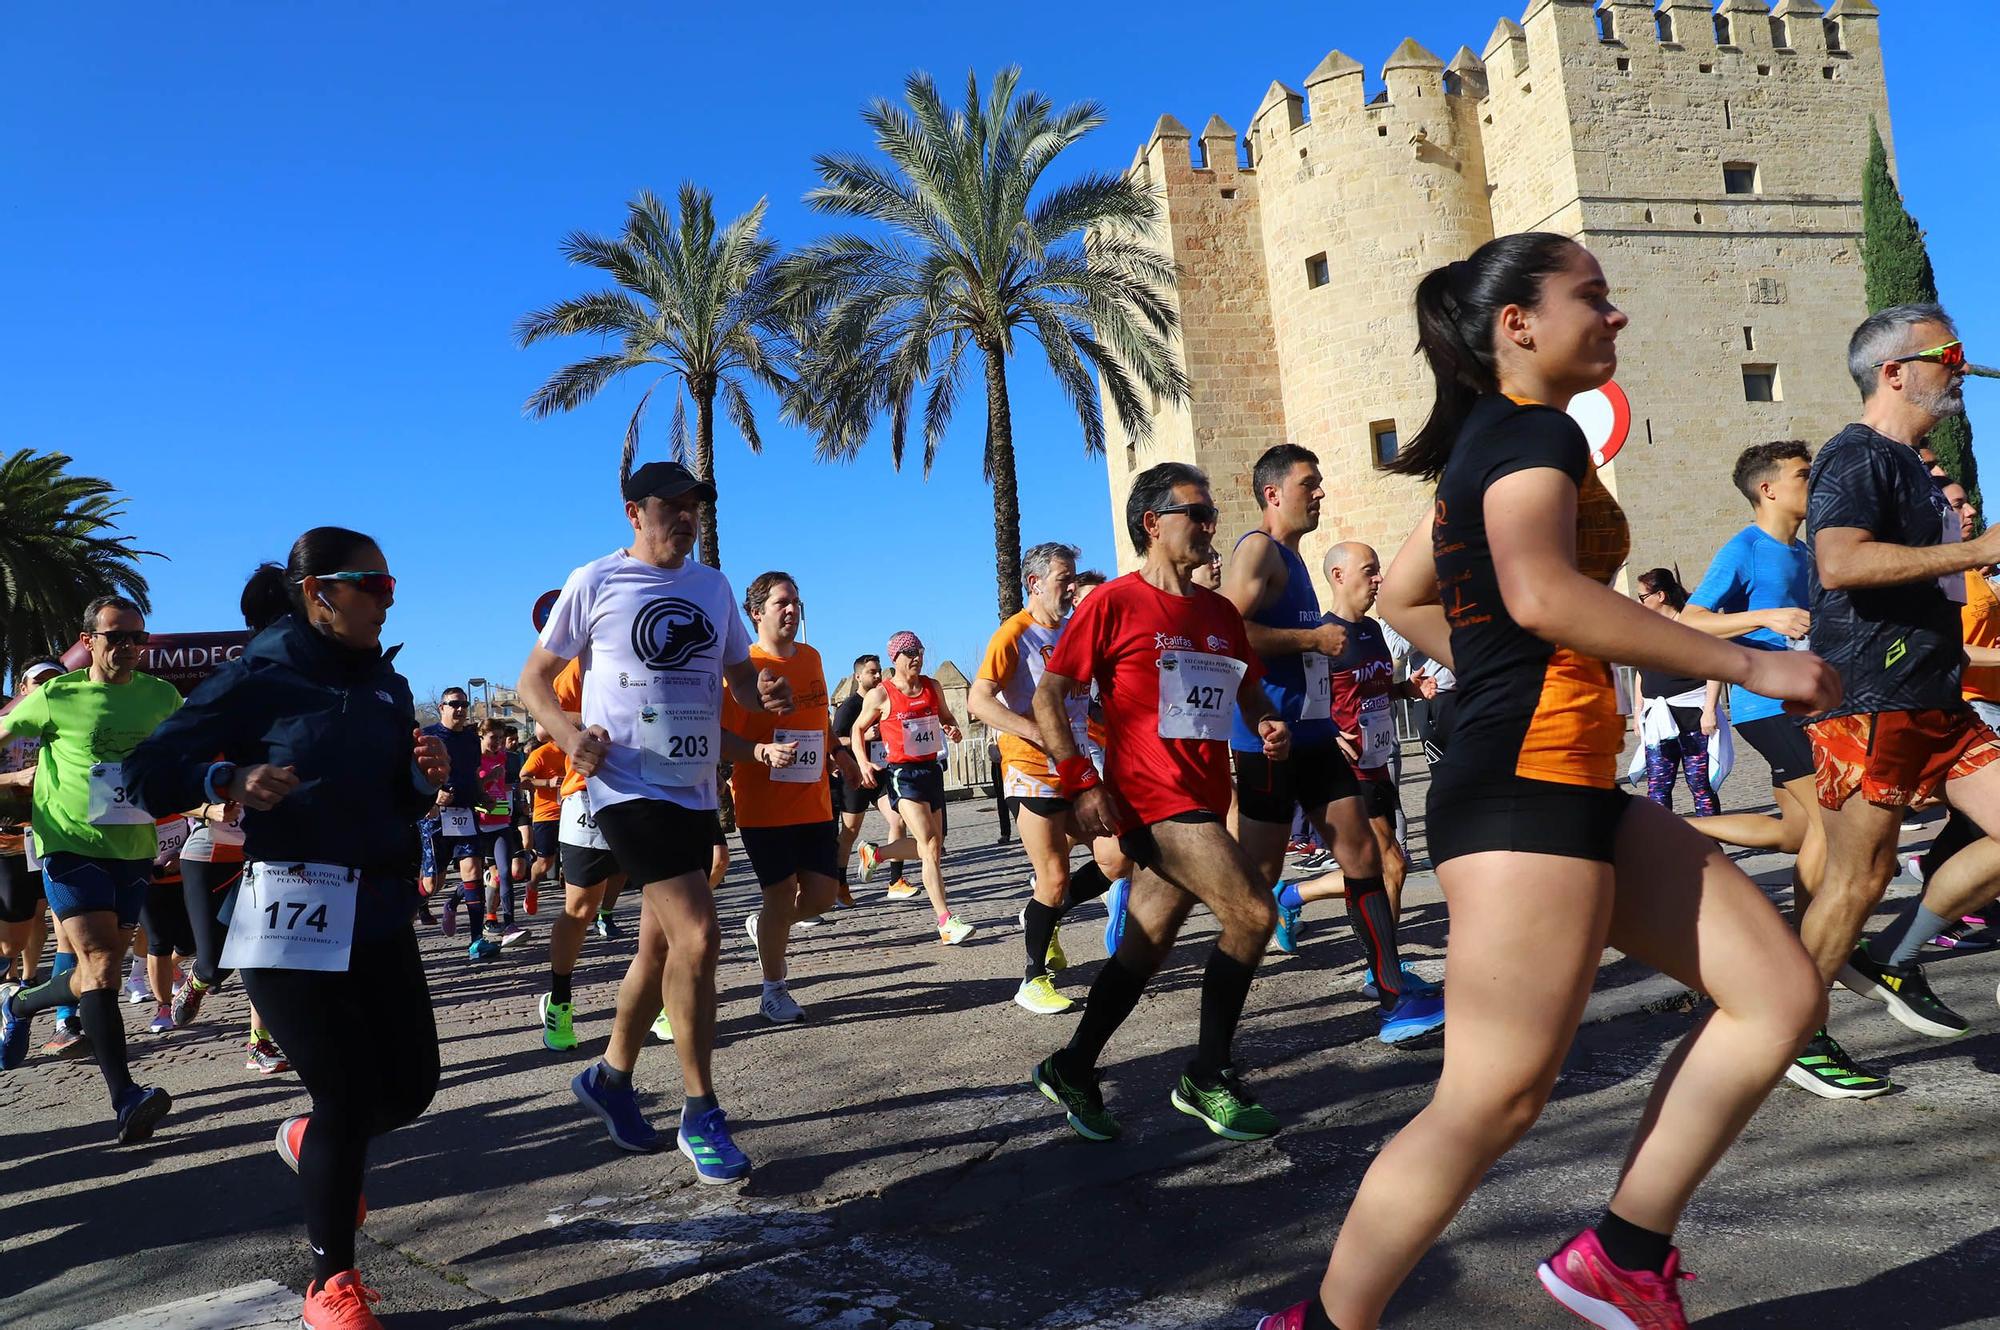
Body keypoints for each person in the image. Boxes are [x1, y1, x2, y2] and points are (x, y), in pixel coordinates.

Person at [1257, 234, 1834, 1330]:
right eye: (1593, 298)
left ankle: (1620, 1255)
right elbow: (1534, 591)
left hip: (1555, 776)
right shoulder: (1527, 432)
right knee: (1492, 1095)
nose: (1613, 317)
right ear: (1515, 322)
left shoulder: (1496, 442)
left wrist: (1501, 668)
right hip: (1524, 790)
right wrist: (1749, 660)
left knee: (1776, 996)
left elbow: (1418, 592)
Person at [127, 528, 449, 1330]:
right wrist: (226, 777)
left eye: (390, 586)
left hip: (374, 907)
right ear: (320, 594)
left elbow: (390, 799)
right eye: (374, 585)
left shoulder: (385, 684)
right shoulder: (258, 676)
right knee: (344, 1088)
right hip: (289, 908)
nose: (387, 599)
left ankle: (310, 1138)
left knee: (409, 1088)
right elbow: (145, 770)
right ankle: (329, 1282)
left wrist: (421, 779)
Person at [519, 459, 790, 1184]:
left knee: (661, 950)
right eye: (670, 505)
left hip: (694, 787)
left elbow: (738, 680)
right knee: (700, 935)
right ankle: (702, 1112)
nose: (686, 516)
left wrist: (760, 690)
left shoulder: (713, 587)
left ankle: (609, 1078)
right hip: (624, 786)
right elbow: (532, 682)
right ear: (633, 513)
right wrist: (568, 735)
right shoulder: (596, 580)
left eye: (694, 506)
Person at [1025, 461, 1289, 1144]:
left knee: (1144, 947)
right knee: (1253, 911)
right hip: (1152, 800)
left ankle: (1073, 1065)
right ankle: (1207, 1073)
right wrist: (1080, 781)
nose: (1210, 526)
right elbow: (1051, 696)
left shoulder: (1219, 614)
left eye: (1211, 515)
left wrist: (1265, 722)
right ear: (1153, 523)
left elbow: (1246, 688)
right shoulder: (1112, 603)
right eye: (1196, 514)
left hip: (1203, 794)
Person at [1794, 302, 2000, 1095]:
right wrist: (1979, 548)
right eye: (1947, 352)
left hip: (1937, 696)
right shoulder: (1855, 456)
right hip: (1870, 698)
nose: (1961, 367)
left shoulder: (1916, 463)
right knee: (1859, 877)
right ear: (1894, 372)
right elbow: (1840, 564)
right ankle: (1794, 1031)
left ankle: (1895, 956)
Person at [1222, 443, 1441, 1045]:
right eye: (1309, 483)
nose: (1320, 492)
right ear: (1273, 494)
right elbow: (1228, 628)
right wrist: (1310, 640)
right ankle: (1218, 1035)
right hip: (1270, 741)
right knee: (1256, 890)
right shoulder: (1258, 550)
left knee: (1366, 859)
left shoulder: (1293, 561)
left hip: (1316, 737)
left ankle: (1391, 987)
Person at [0, 596, 184, 1144]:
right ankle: (126, 1097)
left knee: (91, 973)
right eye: (115, 637)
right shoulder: (58, 695)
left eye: (137, 638)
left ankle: (22, 1002)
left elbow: (184, 757)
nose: (127, 647)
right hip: (69, 844)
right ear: (89, 641)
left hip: (132, 848)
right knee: (103, 964)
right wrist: (12, 782)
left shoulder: (162, 696)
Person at [969, 541, 1132, 1015]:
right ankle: (1032, 979)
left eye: (1073, 576)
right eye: (1064, 577)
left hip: (1078, 769)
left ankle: (1042, 914)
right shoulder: (1013, 634)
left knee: (1118, 857)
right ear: (1035, 584)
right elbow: (979, 701)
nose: (1072, 585)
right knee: (1054, 877)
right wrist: (1036, 732)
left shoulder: (1074, 632)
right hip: (1032, 772)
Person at [1678, 440, 1822, 922]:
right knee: (1832, 824)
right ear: (1768, 489)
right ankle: (1813, 942)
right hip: (1769, 706)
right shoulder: (1744, 548)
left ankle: (1676, 828)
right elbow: (1689, 619)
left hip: (1804, 700)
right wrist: (1768, 617)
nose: (1814, 480)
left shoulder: (1804, 552)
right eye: (1803, 474)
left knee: (1797, 833)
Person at [722, 572, 860, 1022]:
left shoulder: (813, 656)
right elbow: (720, 736)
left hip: (814, 801)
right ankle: (773, 989)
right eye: (782, 602)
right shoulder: (740, 667)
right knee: (779, 893)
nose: (792, 610)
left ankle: (767, 925)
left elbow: (819, 721)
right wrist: (762, 752)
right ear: (756, 612)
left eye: (797, 602)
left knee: (821, 898)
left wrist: (840, 753)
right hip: (763, 807)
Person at [1312, 541, 1438, 1001]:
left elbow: (1377, 686)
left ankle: (1296, 899)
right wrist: (1328, 731)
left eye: (1380, 570)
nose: (1379, 579)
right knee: (1390, 863)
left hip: (1378, 761)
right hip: (1348, 772)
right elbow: (1304, 700)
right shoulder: (1323, 635)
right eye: (1370, 570)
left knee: (1386, 868)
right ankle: (1382, 970)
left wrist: (1407, 687)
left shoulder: (1371, 630)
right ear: (1339, 576)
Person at [850, 632, 973, 944]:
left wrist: (952, 728)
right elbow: (857, 729)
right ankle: (945, 920)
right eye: (908, 653)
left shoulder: (933, 686)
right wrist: (863, 763)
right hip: (902, 774)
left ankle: (876, 853)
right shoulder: (881, 694)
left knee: (934, 847)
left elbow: (946, 717)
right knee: (929, 843)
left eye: (918, 651)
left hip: (931, 770)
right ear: (895, 659)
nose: (915, 657)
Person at [538, 655, 631, 1052]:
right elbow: (544, 727)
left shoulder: (658, 650)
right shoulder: (581, 663)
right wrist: (598, 718)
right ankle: (559, 1000)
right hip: (588, 795)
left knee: (668, 904)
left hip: (654, 790)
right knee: (581, 908)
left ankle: (664, 1001)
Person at [1629, 568, 1722, 817]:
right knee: (1657, 787)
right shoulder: (1644, 629)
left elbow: (1715, 668)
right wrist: (1638, 711)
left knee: (1700, 785)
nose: (1639, 603)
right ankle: (1663, 848)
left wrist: (1710, 710)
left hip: (1692, 718)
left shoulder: (1692, 625)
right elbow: (1641, 672)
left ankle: (1712, 844)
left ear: (1660, 596)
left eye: (1642, 597)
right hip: (1657, 721)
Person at [0, 659, 65, 992]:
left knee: (54, 919)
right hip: (9, 839)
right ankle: (8, 971)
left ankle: (31, 982)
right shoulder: (4, 727)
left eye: (57, 681)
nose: (50, 688)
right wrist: (17, 777)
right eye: (41, 682)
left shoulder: (69, 728)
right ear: (23, 689)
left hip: (58, 837)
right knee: (13, 936)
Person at [831, 655, 910, 900]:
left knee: (898, 820)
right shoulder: (849, 707)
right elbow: (835, 739)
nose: (877, 676)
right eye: (871, 672)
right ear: (858, 677)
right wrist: (863, 738)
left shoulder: (882, 700)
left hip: (882, 773)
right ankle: (840, 885)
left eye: (878, 672)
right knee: (850, 832)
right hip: (854, 776)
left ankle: (895, 881)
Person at [421, 686, 486, 948]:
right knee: (433, 882)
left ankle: (477, 940)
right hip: (436, 817)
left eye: (463, 704)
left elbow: (473, 773)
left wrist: (482, 795)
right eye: (454, 704)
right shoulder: (428, 736)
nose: (460, 709)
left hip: (465, 813)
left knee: (473, 871)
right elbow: (412, 776)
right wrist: (432, 796)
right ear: (442, 708)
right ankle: (417, 905)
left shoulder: (472, 739)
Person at [520, 723, 564, 897]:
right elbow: (523, 779)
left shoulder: (577, 751)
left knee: (574, 861)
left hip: (573, 812)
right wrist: (548, 782)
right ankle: (533, 885)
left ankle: (577, 908)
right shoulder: (543, 752)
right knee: (545, 862)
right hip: (546, 813)